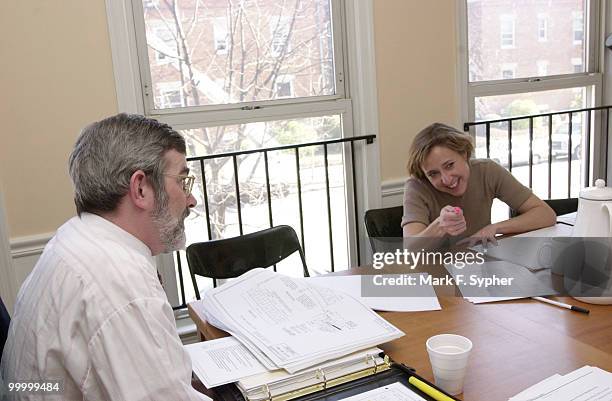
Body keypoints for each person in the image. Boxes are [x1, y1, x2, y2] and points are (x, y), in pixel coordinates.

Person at [1, 114, 212, 400]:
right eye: (183, 181)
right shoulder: (121, 281)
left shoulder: (74, 236)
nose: (191, 200)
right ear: (141, 188)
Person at [402, 122, 556, 246]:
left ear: (464, 154)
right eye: (433, 174)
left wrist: (495, 228)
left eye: (449, 165)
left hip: (478, 265)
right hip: (434, 271)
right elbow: (410, 250)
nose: (447, 179)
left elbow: (546, 215)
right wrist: (440, 226)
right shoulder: (416, 187)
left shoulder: (487, 170)